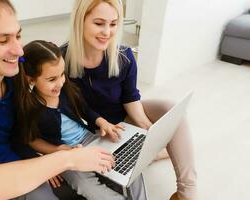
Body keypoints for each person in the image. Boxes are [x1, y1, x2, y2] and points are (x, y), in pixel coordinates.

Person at [0, 1, 115, 199]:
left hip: (28, 163)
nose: (19, 51)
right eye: (3, 41)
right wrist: (63, 159)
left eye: (18, 36)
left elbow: (59, 78)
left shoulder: (17, 72)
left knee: (110, 177)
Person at [62, 0, 197, 200]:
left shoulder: (124, 55)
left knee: (170, 107)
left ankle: (187, 193)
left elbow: (130, 97)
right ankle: (156, 152)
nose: (107, 32)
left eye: (113, 24)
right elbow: (63, 110)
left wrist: (146, 128)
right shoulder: (61, 59)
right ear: (80, 21)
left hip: (125, 119)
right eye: (99, 23)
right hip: (97, 131)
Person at [13, 40, 130, 200]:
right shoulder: (28, 107)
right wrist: (56, 152)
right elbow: (30, 140)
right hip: (64, 155)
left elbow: (85, 109)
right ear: (31, 80)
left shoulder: (65, 88)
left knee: (123, 162)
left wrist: (102, 122)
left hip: (89, 138)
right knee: (85, 185)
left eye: (62, 74)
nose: (60, 82)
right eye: (51, 79)